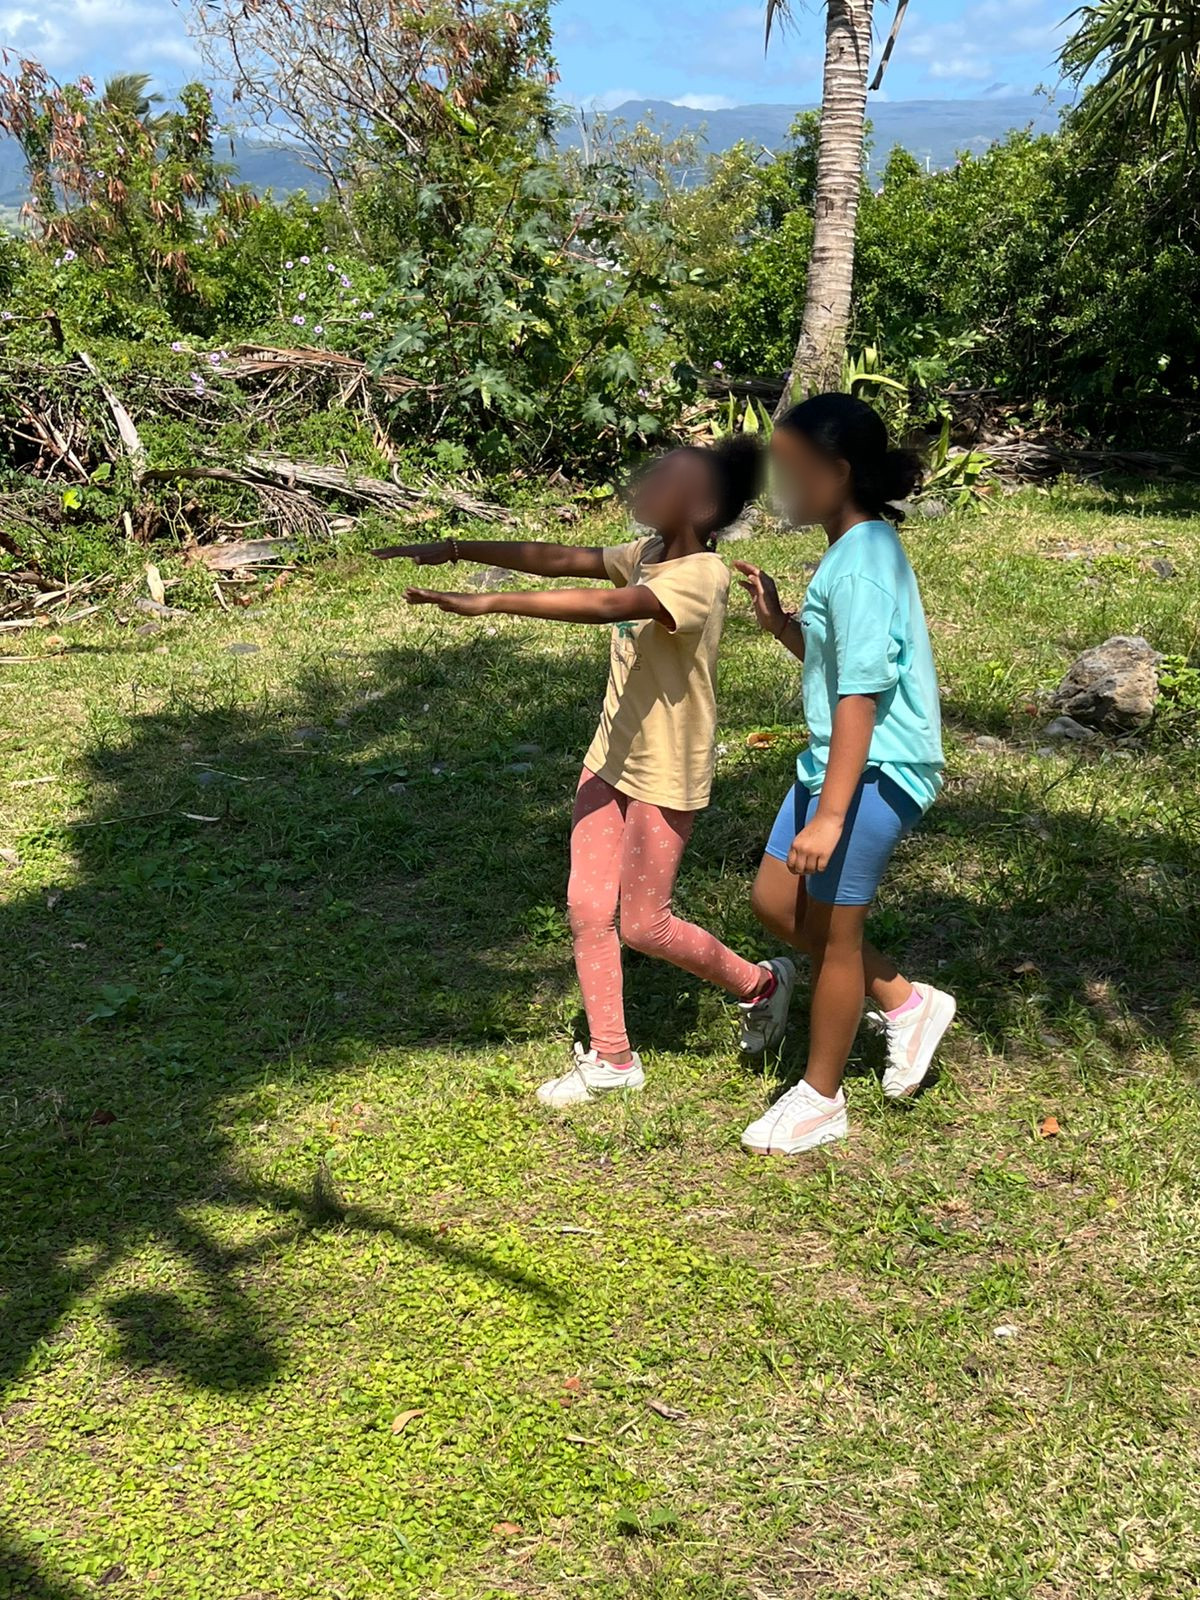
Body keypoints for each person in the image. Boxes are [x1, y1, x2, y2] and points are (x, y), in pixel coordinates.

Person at [373, 437, 795, 1107]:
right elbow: (560, 557)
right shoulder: (647, 552)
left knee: (645, 926)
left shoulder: (700, 575)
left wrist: (491, 604)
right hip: (608, 759)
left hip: (666, 774)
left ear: (702, 506)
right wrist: (457, 548)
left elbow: (608, 606)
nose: (647, 484)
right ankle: (612, 1057)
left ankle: (762, 985)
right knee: (587, 908)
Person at [734, 393, 955, 1156]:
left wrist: (832, 815)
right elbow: (838, 669)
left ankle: (821, 1098)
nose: (780, 488)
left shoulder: (860, 565)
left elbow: (861, 697)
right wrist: (782, 626)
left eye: (792, 472)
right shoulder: (851, 549)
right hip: (836, 764)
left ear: (837, 473)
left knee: (835, 938)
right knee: (775, 902)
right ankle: (905, 1003)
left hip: (876, 770)